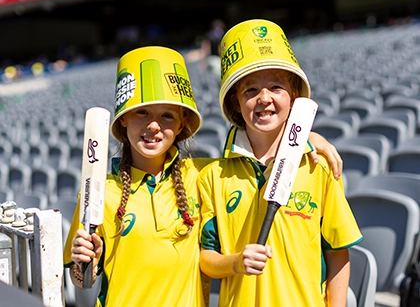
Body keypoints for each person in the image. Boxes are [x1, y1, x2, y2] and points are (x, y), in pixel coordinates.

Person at [63, 45, 345, 306]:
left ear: (182, 122)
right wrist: (82, 263)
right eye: (141, 113)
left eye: (167, 116)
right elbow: (82, 283)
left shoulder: (205, 175)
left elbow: (260, 154)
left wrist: (304, 139)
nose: (153, 126)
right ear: (122, 119)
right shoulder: (99, 191)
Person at [198, 19, 363, 307]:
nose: (264, 98)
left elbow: (337, 252)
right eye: (250, 91)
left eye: (276, 87)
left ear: (294, 97)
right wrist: (236, 262)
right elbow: (206, 259)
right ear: (235, 102)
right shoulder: (213, 176)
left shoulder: (318, 166)